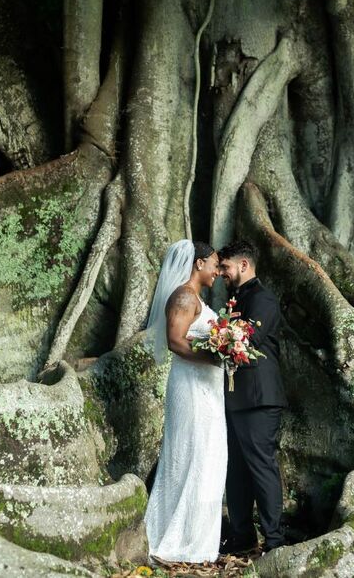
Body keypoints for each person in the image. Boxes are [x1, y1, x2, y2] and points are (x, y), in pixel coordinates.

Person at [143, 239, 227, 563]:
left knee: (209, 458)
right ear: (199, 264)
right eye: (215, 265)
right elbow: (175, 341)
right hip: (190, 389)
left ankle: (197, 541)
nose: (218, 271)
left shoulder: (196, 299)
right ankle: (176, 539)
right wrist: (215, 356)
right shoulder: (182, 296)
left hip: (207, 390)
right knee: (191, 457)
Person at [217, 239, 287, 554]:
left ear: (243, 265)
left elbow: (248, 338)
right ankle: (242, 536)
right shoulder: (235, 298)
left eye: (225, 267)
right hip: (235, 398)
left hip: (259, 398)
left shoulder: (264, 299)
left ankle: (274, 541)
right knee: (236, 469)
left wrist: (216, 334)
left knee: (261, 466)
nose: (221, 273)